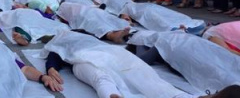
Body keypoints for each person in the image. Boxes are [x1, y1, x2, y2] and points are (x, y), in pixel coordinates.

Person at [44, 30, 191, 98]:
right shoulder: (62, 39)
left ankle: (182, 96)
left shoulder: (89, 37)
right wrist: (51, 68)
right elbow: (55, 53)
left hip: (110, 54)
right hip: (82, 60)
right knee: (101, 77)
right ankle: (112, 96)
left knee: (143, 73)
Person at [130, 31, 240, 94]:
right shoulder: (166, 40)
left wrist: (139, 43)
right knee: (225, 65)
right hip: (198, 51)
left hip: (193, 53)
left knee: (220, 71)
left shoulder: (162, 42)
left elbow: (142, 59)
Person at [56, 2, 131, 44]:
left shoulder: (65, 7)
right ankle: (115, 34)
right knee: (99, 23)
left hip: (87, 14)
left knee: (98, 21)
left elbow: (65, 19)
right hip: (87, 14)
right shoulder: (67, 6)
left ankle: (117, 32)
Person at [0, 8, 70, 46]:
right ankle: (25, 38)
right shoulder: (13, 12)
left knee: (22, 24)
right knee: (21, 23)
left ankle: (25, 37)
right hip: (22, 15)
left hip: (30, 16)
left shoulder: (28, 10)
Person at [117, 2, 205, 34]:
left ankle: (176, 28)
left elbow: (125, 18)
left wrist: (129, 23)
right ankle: (188, 24)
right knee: (169, 15)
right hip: (151, 7)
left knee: (159, 20)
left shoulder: (127, 7)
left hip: (146, 12)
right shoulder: (132, 5)